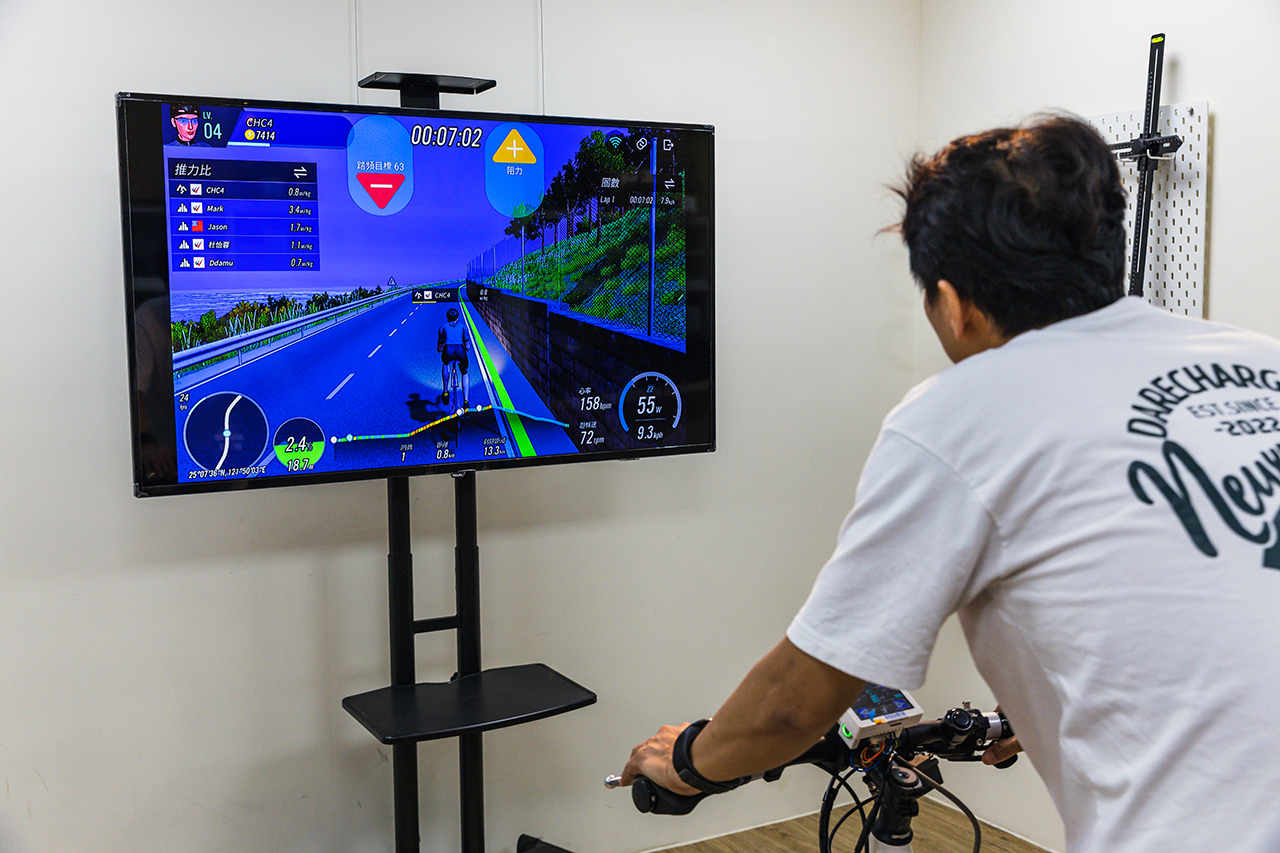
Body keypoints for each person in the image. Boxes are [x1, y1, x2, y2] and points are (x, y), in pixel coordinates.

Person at [620, 115, 1280, 853]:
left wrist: (687, 763)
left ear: (954, 303)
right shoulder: (1260, 361)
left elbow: (793, 705)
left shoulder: (961, 412)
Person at [438, 306, 471, 410]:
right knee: (464, 372)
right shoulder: (463, 327)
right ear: (458, 317)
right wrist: (466, 348)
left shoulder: (443, 327)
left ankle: (445, 391)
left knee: (445, 364)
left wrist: (440, 349)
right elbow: (467, 345)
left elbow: (440, 347)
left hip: (448, 350)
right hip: (460, 351)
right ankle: (466, 401)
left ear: (447, 318)